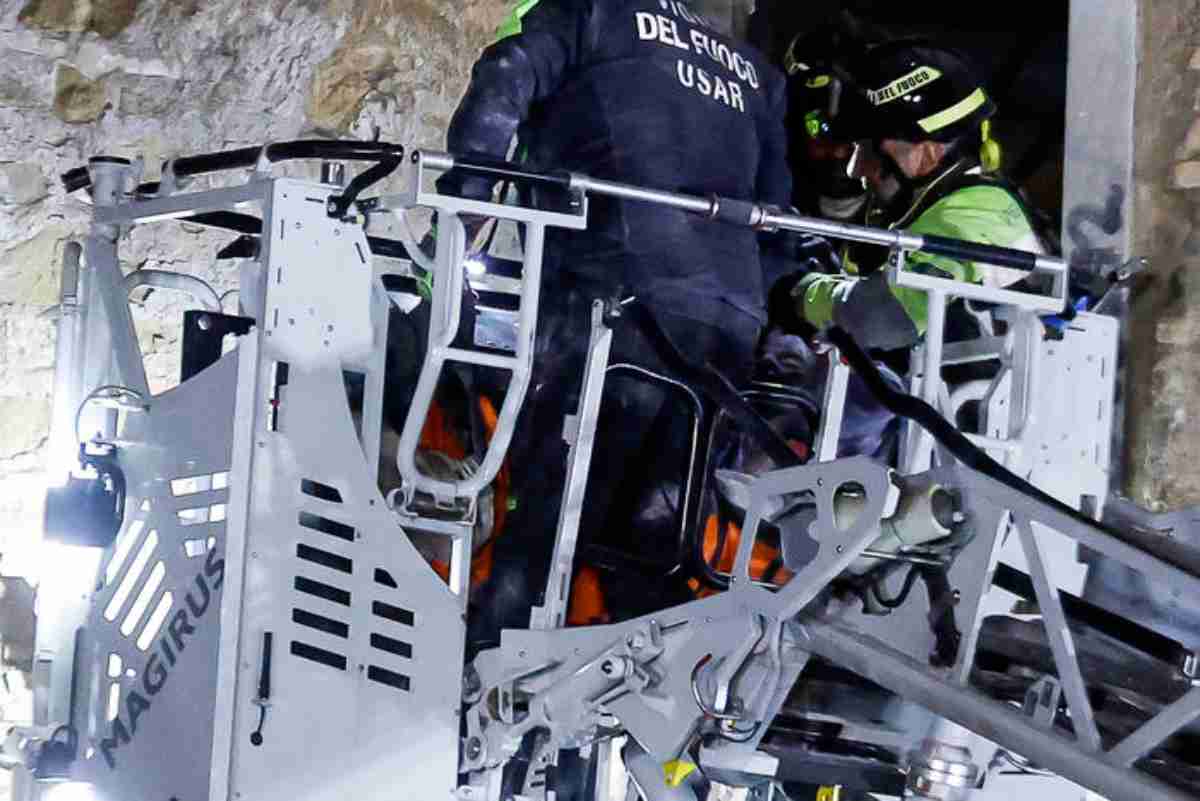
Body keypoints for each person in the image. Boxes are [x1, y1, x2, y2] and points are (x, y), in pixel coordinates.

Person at [436, 0, 792, 635]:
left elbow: (507, 73)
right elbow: (778, 222)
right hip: (728, 323)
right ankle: (638, 691)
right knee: (658, 526)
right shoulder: (752, 72)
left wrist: (465, 205)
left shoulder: (591, 12)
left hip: (617, 296)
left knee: (556, 504)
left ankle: (487, 665)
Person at [783, 41, 1046, 350]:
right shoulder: (935, 212)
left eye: (869, 152)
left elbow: (882, 321)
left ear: (927, 155)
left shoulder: (979, 215)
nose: (856, 170)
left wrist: (802, 293)